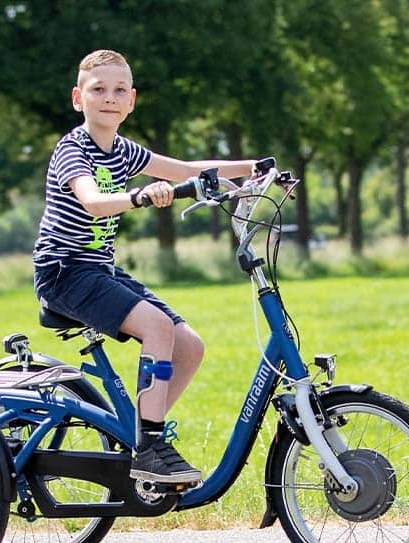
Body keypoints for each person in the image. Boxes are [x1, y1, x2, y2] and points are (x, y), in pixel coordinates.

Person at [33, 49, 257, 485]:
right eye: (99, 90)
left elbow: (187, 169)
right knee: (158, 328)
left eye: (119, 91)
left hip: (99, 269)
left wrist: (254, 168)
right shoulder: (72, 149)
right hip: (64, 270)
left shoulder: (122, 150)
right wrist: (139, 196)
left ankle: (139, 437)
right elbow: (93, 203)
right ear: (79, 98)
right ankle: (151, 448)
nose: (110, 98)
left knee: (188, 345)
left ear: (131, 101)